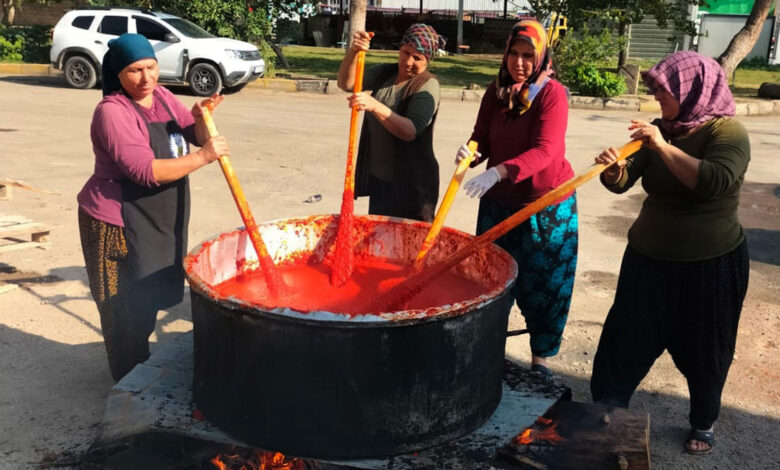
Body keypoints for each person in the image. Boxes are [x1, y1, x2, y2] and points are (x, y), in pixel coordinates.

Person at [589, 51, 750, 455]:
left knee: (706, 346)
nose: (656, 97)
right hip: (647, 258)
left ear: (690, 87)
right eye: (655, 90)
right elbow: (625, 181)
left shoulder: (727, 132)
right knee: (626, 336)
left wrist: (661, 145)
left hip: (709, 265)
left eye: (663, 91)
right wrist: (613, 170)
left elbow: (714, 181)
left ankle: (702, 419)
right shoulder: (661, 128)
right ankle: (610, 405)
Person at [77, 34, 229, 381]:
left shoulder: (160, 95)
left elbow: (195, 135)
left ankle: (138, 366)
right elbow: (144, 171)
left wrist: (201, 118)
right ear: (117, 73)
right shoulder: (111, 112)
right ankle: (127, 383)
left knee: (147, 299)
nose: (146, 78)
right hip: (114, 222)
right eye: (134, 70)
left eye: (151, 67)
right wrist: (204, 157)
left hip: (157, 216)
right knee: (122, 308)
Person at [456, 20, 576, 377]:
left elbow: (546, 151)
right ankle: (491, 352)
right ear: (505, 52)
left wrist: (498, 171)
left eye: (528, 55)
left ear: (540, 58)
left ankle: (540, 362)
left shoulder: (553, 95)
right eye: (514, 53)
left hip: (545, 206)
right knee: (490, 280)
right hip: (499, 203)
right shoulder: (495, 93)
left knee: (545, 286)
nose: (520, 62)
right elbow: (482, 139)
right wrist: (471, 154)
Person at [337, 24, 445, 222]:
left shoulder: (427, 85)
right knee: (381, 242)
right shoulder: (386, 73)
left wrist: (375, 106)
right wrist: (354, 51)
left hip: (414, 187)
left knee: (409, 248)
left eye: (417, 58)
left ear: (428, 60)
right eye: (405, 53)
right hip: (381, 181)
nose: (408, 61)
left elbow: (410, 131)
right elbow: (347, 84)